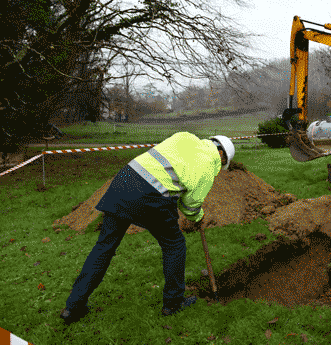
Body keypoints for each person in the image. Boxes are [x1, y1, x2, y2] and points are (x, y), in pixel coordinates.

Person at [60, 132, 235, 325]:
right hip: (152, 195)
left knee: (104, 247)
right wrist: (199, 217)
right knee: (174, 245)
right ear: (221, 155)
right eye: (223, 162)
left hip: (123, 182)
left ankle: (74, 306)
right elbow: (191, 205)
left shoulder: (185, 137)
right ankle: (173, 303)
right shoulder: (209, 165)